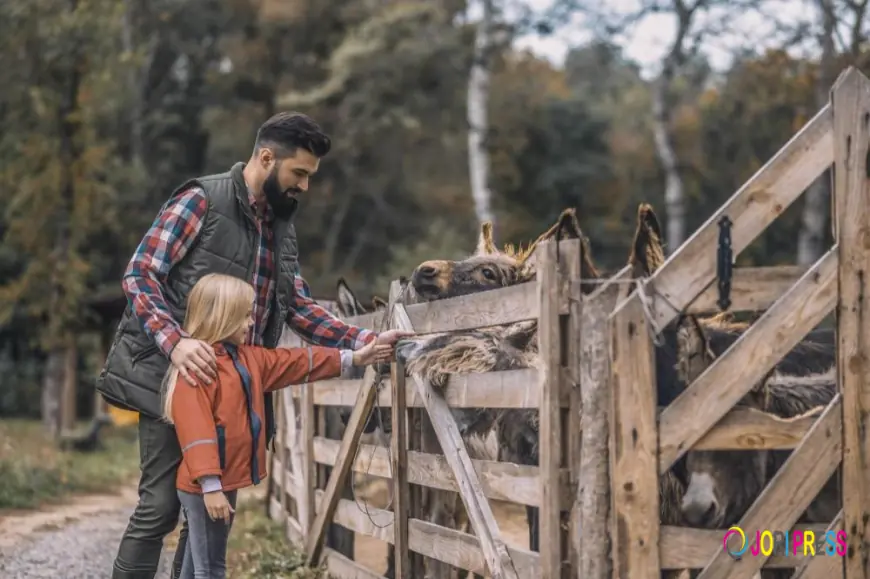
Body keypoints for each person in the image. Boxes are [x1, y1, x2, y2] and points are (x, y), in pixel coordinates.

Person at [96, 112, 413, 579]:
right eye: (298, 173)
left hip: (236, 393)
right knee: (161, 508)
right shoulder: (201, 201)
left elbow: (298, 307)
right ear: (266, 158)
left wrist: (365, 341)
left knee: (208, 516)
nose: (304, 186)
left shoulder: (281, 227)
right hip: (173, 380)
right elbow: (140, 273)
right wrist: (176, 343)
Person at [164, 273, 393, 579]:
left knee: (197, 565)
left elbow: (298, 362)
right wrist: (210, 486)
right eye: (245, 316)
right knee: (212, 568)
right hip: (206, 486)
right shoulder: (200, 368)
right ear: (223, 316)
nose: (250, 324)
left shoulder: (247, 360)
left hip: (221, 481)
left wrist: (353, 357)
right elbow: (196, 432)